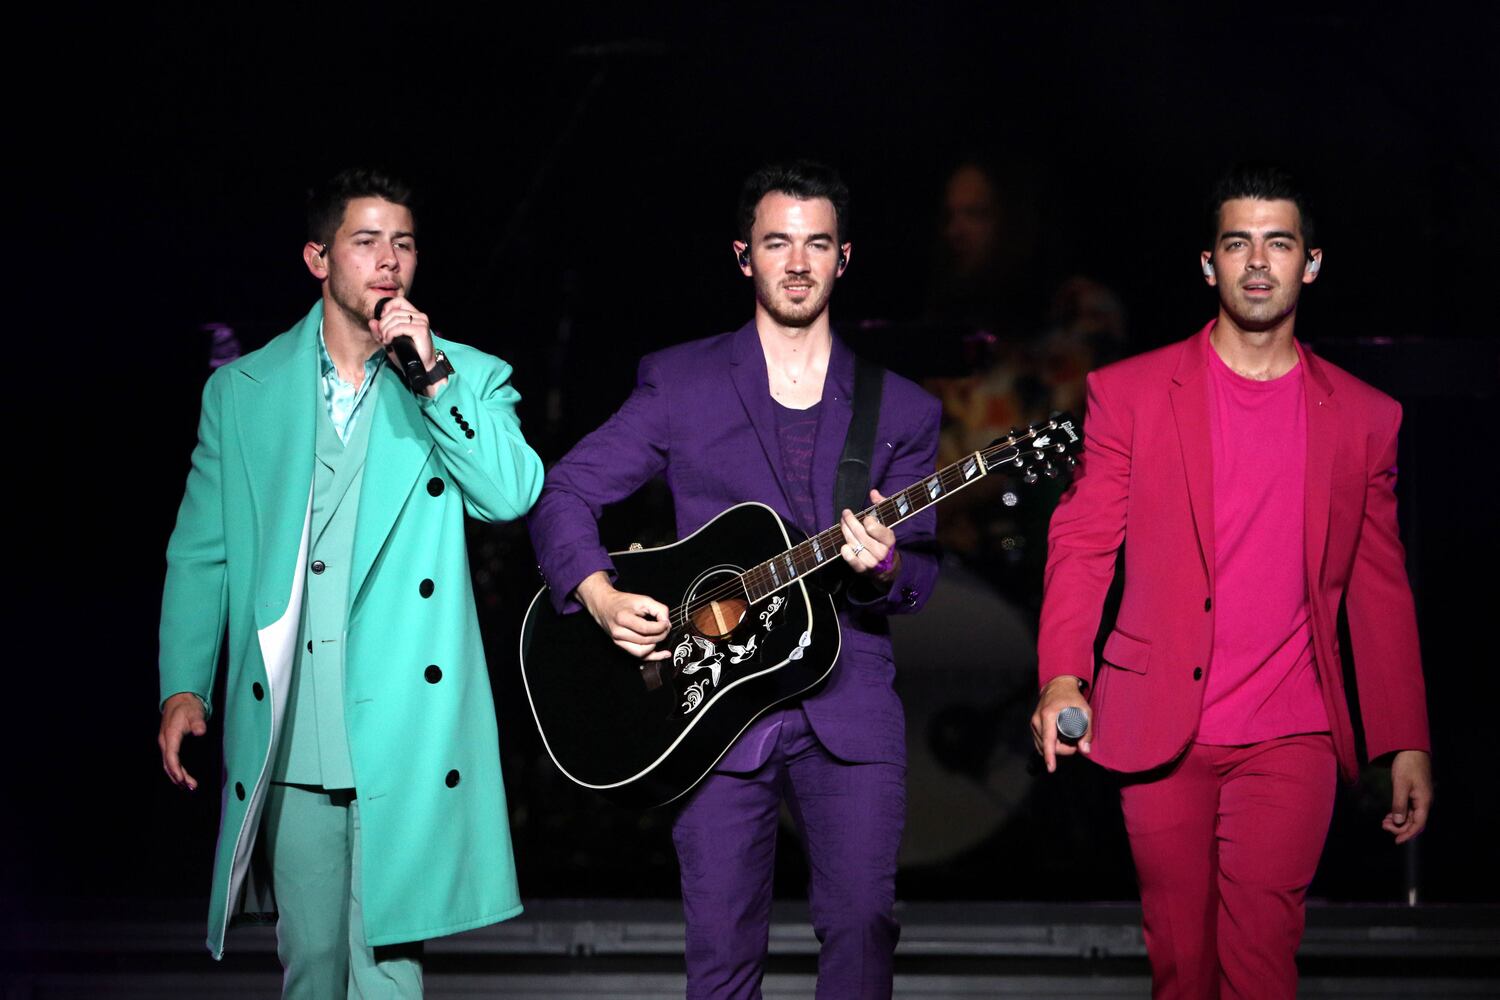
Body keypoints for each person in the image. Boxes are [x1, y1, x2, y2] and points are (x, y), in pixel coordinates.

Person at [528, 161, 940, 999]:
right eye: (777, 243)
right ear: (744, 256)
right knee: (720, 954)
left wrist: (887, 564)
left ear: (844, 258)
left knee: (863, 926)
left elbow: (919, 573)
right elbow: (565, 492)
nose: (798, 262)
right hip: (707, 704)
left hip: (847, 700)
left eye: (817, 244)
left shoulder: (901, 409)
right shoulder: (681, 382)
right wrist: (599, 594)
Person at [1030, 164, 1433, 999]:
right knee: (1182, 965)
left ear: (1309, 264)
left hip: (1294, 733)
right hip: (1160, 725)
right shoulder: (1131, 394)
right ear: (1208, 263)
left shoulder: (1365, 418)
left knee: (1260, 963)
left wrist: (1405, 739)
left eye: (1278, 243)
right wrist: (1063, 675)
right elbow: (1083, 543)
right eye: (1237, 243)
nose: (1257, 261)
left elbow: (1379, 586)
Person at [156, 167, 545, 996]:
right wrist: (185, 685)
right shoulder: (244, 392)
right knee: (310, 969)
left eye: (403, 243)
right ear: (318, 258)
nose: (388, 260)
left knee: (389, 970)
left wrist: (434, 378)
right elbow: (201, 551)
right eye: (366, 242)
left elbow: (511, 494)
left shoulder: (464, 375)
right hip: (292, 723)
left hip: (405, 723)